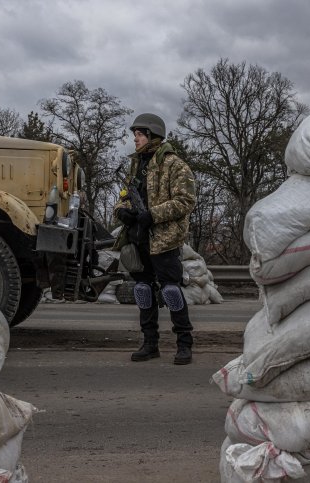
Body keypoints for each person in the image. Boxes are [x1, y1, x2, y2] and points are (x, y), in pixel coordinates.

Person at [113, 113, 197, 365]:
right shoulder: (134, 165)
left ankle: (184, 344)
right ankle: (150, 344)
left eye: (138, 135)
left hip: (164, 239)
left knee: (171, 290)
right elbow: (124, 196)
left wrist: (153, 215)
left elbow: (186, 201)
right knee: (143, 290)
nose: (135, 139)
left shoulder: (174, 164)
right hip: (138, 238)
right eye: (135, 135)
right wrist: (122, 212)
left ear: (151, 135)